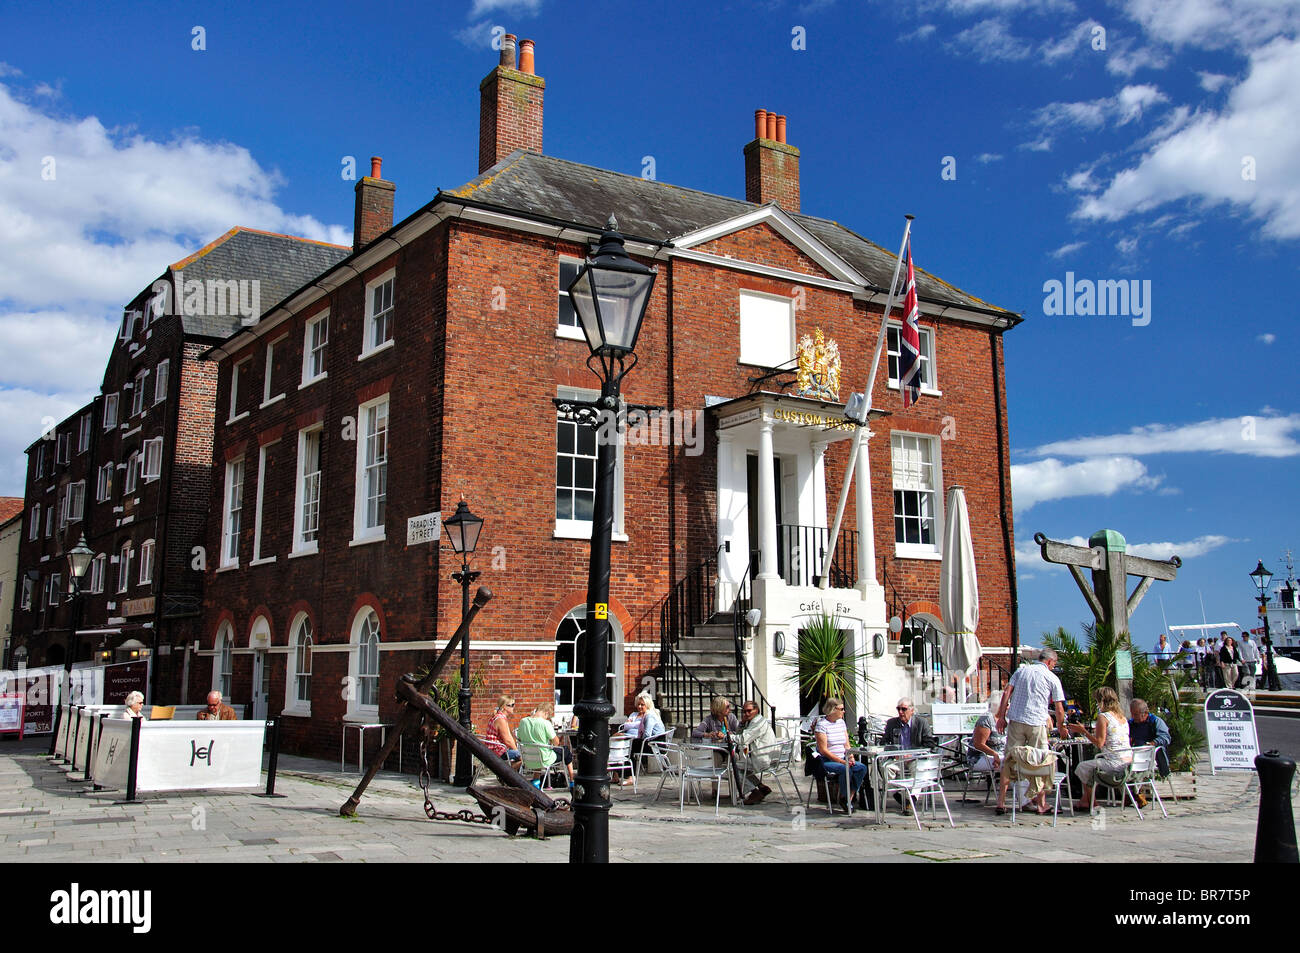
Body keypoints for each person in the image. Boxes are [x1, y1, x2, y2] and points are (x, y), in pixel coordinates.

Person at [994, 647, 1069, 815]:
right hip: (1036, 722)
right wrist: (1062, 726)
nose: (1053, 667)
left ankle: (1001, 802)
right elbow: (1059, 708)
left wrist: (1001, 715)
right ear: (1049, 662)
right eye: (1054, 664)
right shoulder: (1051, 677)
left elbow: (1007, 692)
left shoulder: (1022, 671)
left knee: (1009, 759)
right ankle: (1041, 803)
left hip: (1016, 720)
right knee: (1040, 761)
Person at [1070, 686, 1133, 812]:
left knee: (1082, 767)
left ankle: (1092, 802)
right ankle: (1084, 801)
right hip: (1128, 761)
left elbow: (1099, 743)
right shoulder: (1122, 717)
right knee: (1091, 767)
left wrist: (1083, 732)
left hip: (1114, 763)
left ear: (1101, 701)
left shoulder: (1103, 717)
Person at [813, 697, 867, 811]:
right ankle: (844, 796)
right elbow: (823, 750)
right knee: (845, 768)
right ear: (833, 709)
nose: (844, 711)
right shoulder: (822, 725)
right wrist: (842, 761)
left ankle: (847, 798)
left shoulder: (841, 723)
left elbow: (846, 744)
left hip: (843, 757)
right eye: (841, 709)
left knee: (861, 768)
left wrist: (850, 757)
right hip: (827, 761)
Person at [516, 701, 574, 785]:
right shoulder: (545, 723)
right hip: (544, 759)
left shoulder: (523, 721)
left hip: (527, 759)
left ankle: (536, 781)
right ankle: (572, 781)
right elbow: (556, 743)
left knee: (538, 749)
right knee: (566, 751)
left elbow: (520, 738)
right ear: (546, 713)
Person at [736, 700, 777, 804]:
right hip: (763, 755)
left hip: (763, 758)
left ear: (756, 710)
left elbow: (743, 739)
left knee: (734, 767)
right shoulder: (753, 721)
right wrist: (742, 723)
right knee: (742, 765)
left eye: (749, 711)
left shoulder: (757, 722)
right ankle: (761, 787)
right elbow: (740, 734)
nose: (746, 714)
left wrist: (726, 737)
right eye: (744, 711)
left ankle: (754, 792)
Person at [618, 691, 665, 781]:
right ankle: (621, 774)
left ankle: (631, 777)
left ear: (647, 705)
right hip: (654, 743)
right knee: (629, 744)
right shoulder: (648, 714)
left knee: (629, 745)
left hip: (656, 746)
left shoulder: (649, 716)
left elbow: (647, 734)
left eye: (642, 704)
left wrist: (637, 739)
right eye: (638, 704)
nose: (639, 706)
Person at [1128, 698, 1171, 779]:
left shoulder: (1155, 721)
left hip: (1152, 756)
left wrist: (1153, 743)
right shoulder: (1130, 723)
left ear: (1145, 713)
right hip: (1135, 755)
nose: (1134, 717)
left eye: (1136, 715)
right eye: (1132, 714)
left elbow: (1166, 738)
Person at [967, 692, 1005, 777]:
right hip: (981, 757)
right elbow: (978, 744)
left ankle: (1017, 788)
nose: (1009, 707)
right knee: (1010, 764)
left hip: (1001, 754)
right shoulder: (986, 719)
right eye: (1006, 704)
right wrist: (994, 754)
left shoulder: (1006, 718)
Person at [483, 695, 521, 764]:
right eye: (512, 705)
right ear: (504, 707)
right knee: (525, 758)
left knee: (522, 757)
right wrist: (517, 751)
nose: (513, 707)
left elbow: (509, 737)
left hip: (495, 750)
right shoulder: (500, 720)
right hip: (497, 752)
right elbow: (508, 740)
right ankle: (508, 773)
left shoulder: (498, 717)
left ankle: (509, 772)